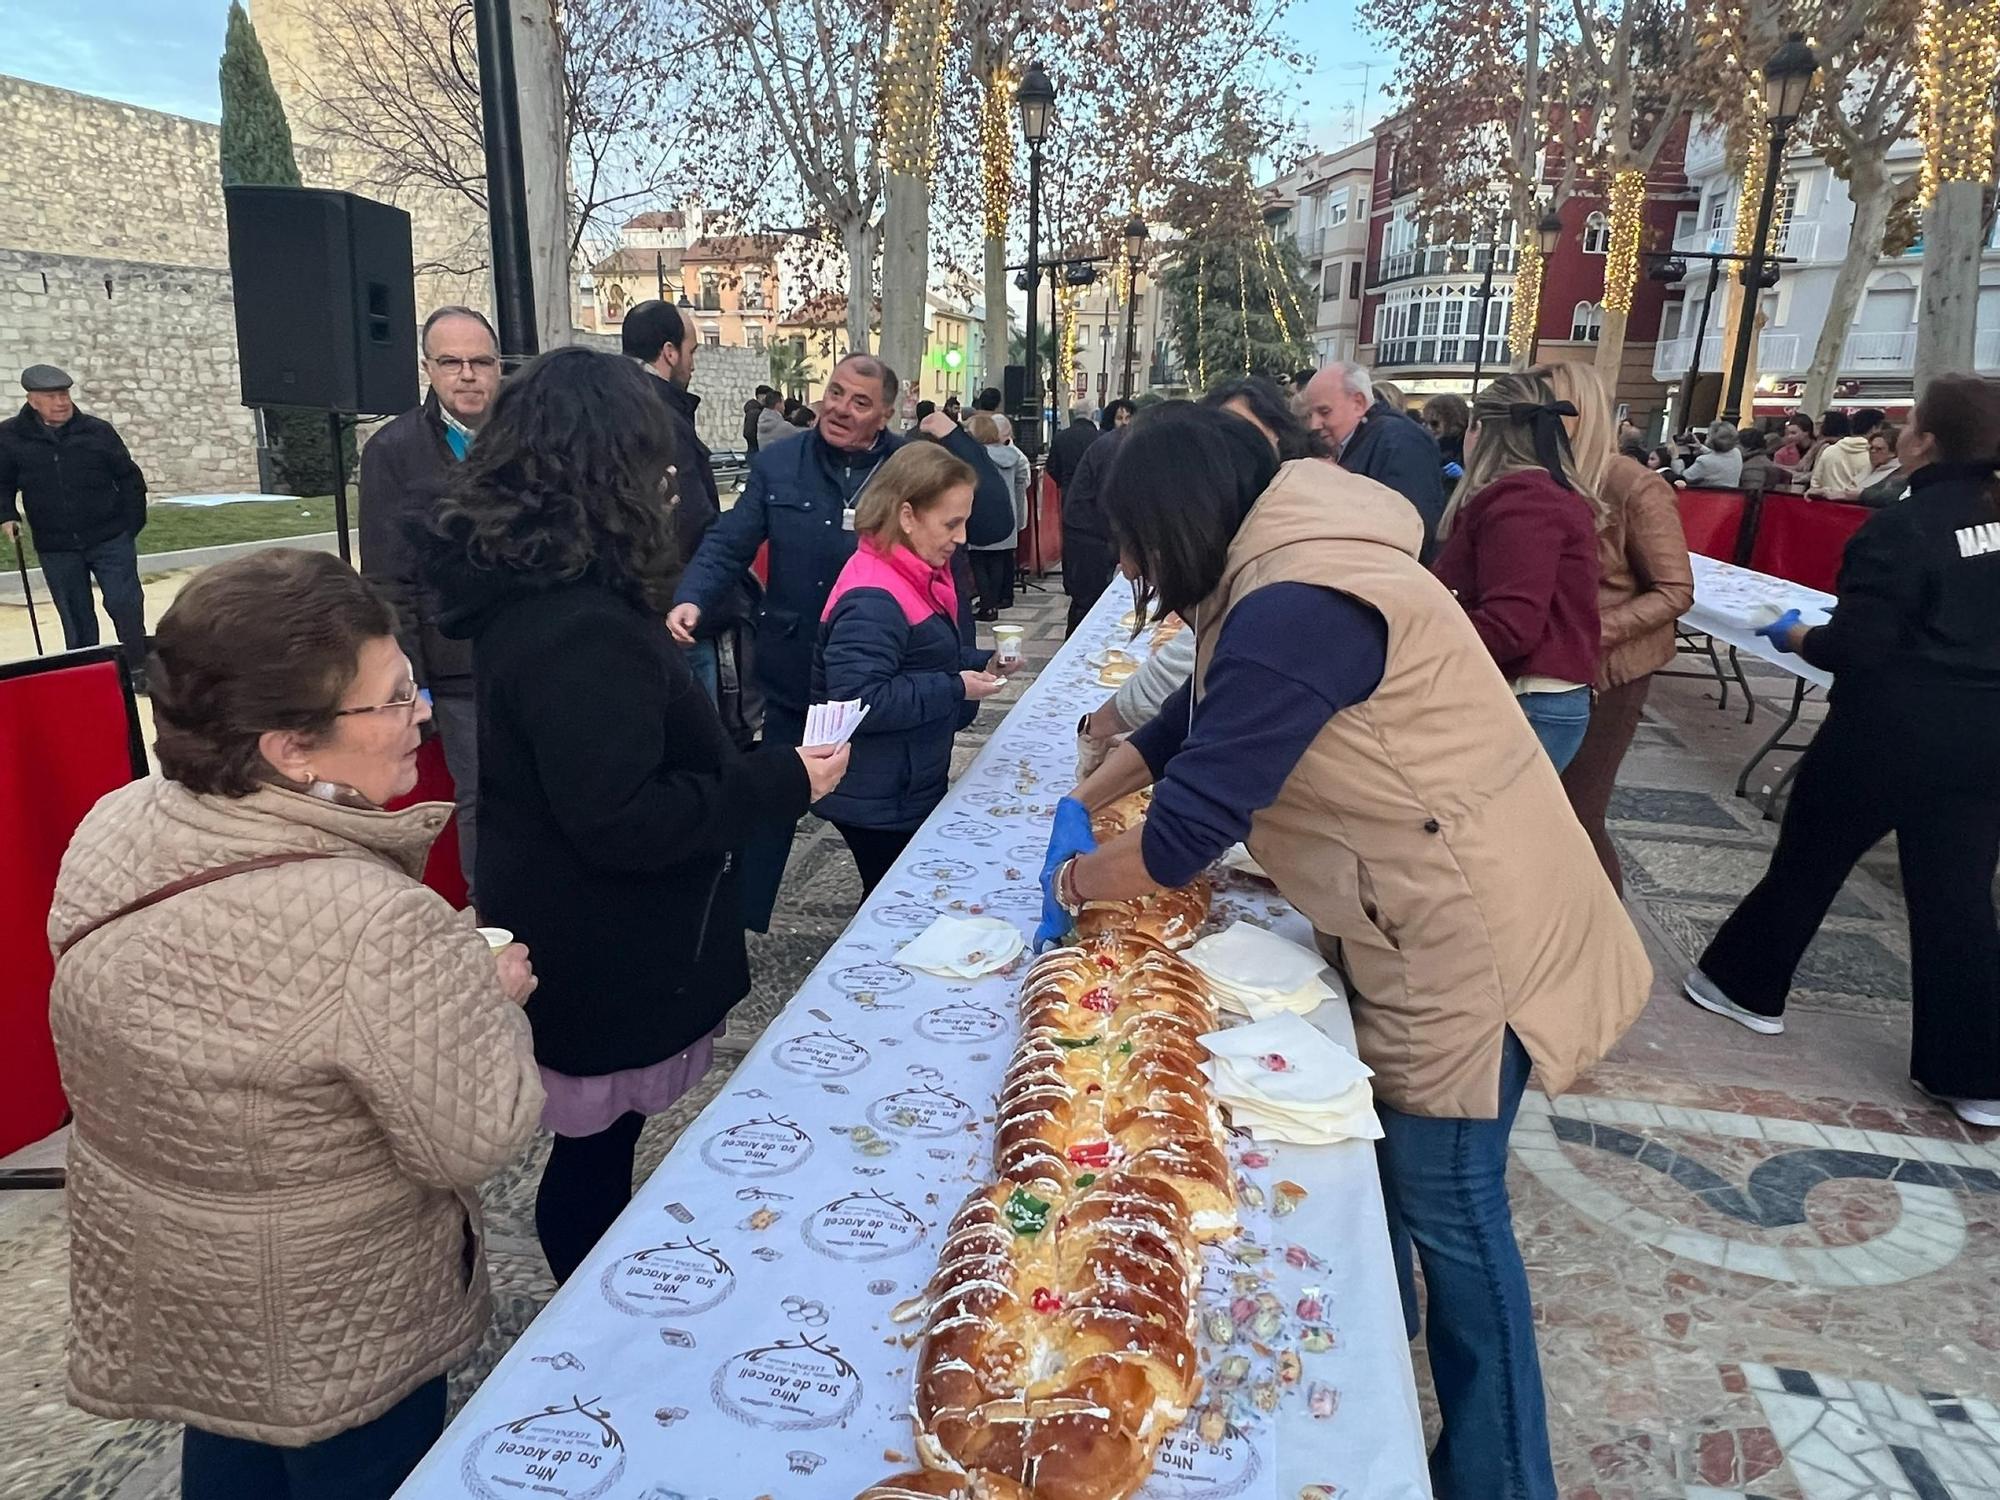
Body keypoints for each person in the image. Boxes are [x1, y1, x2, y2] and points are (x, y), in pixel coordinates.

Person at [1039, 402, 1650, 1500]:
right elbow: (1192, 716)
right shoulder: (1278, 559)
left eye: (1130, 538)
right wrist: (1083, 799)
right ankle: (1382, 1361)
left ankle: (1501, 1479)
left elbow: (1184, 834)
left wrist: (1072, 881)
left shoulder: (1296, 597)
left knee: (1452, 1207)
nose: (1128, 562)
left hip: (1464, 925)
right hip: (1424, 895)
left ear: (1173, 521)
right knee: (1413, 1199)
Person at [48, 548, 544, 1499]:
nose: (422, 715)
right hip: (337, 1315)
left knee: (230, 1450)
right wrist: (486, 1005)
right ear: (290, 746)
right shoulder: (377, 922)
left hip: (182, 1279)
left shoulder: (117, 819)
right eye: (394, 698)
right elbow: (474, 1138)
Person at [421, 347, 849, 1283]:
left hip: (577, 919)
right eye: (648, 461)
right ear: (602, 470)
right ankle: (589, 1316)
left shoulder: (547, 590)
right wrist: (778, 781)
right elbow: (621, 817)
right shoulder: (576, 624)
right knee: (594, 1154)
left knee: (602, 1149)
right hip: (601, 940)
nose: (665, 481)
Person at [1687, 373, 2000, 1129]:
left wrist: (1795, 634)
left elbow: (1857, 647)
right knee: (1958, 898)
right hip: (1983, 737)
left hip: (1888, 729)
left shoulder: (1905, 527)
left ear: (1923, 440)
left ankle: (1745, 986)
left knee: (1810, 859)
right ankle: (1975, 1072)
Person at [668, 353, 999, 929]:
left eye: (860, 402)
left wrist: (956, 671)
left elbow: (979, 527)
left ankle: (884, 916)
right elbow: (729, 541)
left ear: (886, 414)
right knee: (772, 805)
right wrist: (692, 594)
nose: (840, 409)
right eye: (836, 392)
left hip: (884, 672)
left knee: (881, 807)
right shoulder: (780, 463)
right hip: (797, 675)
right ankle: (739, 925)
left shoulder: (911, 466)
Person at [1073, 377, 1322, 776]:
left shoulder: (1283, 595)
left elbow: (1215, 790)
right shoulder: (1263, 558)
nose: (1131, 568)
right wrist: (1091, 788)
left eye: (1142, 541)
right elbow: (1185, 706)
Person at [812, 443, 1010, 893]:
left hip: (901, 779)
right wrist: (955, 688)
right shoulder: (873, 596)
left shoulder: (912, 572)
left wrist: (983, 663)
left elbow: (923, 656)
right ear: (906, 516)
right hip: (878, 792)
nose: (961, 538)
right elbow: (859, 701)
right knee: (893, 898)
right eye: (951, 524)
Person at [1538, 362, 1694, 891]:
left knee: (1580, 813)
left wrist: (1586, 632)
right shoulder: (1540, 476)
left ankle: (1607, 945)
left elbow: (1675, 590)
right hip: (1548, 668)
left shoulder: (1631, 483)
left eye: (1551, 410)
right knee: (1542, 814)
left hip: (1608, 674)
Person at [360, 306, 501, 886]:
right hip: (457, 667)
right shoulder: (394, 452)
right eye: (451, 362)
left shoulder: (532, 437)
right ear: (428, 368)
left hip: (535, 652)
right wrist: (409, 680)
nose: (468, 374)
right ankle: (494, 928)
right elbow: (388, 580)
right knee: (481, 803)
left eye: (481, 362)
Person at [1430, 371, 1603, 770]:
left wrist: (1424, 640)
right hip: (1531, 696)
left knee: (1480, 832)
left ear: (1479, 431)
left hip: (1529, 698)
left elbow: (1512, 624)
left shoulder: (1524, 503)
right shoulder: (1534, 496)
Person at [0, 363, 149, 679]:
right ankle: (87, 672)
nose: (62, 402)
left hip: (109, 537)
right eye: (52, 396)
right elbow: (2, 483)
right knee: (75, 614)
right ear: (32, 400)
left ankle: (138, 667)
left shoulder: (97, 431)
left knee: (125, 604)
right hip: (56, 545)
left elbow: (129, 477)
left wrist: (129, 525)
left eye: (64, 394)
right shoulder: (10, 437)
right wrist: (7, 515)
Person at [1303, 361, 1447, 558]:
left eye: (1324, 412)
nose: (1314, 424)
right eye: (1310, 414)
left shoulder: (1399, 441)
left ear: (1359, 403)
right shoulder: (1376, 439)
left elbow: (1410, 527)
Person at [968, 409, 1028, 619]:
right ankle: (996, 599)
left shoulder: (977, 457)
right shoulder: (1012, 456)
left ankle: (987, 604)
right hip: (1007, 512)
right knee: (998, 561)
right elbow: (1022, 481)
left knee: (978, 560)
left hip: (981, 512)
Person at [1813, 424, 1905, 506]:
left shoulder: (1898, 475)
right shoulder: (1869, 469)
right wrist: (1825, 492)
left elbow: (1889, 498)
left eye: (1879, 449)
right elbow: (1848, 491)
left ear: (1893, 453)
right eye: (1871, 448)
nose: (1872, 452)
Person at [1807, 407, 1878, 495]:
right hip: (1858, 504)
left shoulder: (1829, 449)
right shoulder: (1875, 454)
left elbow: (1815, 481)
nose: (1816, 426)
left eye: (1819, 424)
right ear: (1874, 428)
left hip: (1827, 503)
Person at [1670, 419, 1744, 487]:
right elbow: (1719, 457)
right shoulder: (1736, 453)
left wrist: (1675, 458)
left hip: (1707, 498)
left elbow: (1682, 477)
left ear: (1712, 440)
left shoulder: (1704, 461)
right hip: (1729, 498)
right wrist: (1701, 447)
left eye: (1708, 435)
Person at [1422, 392, 1470, 495]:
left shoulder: (1468, 446)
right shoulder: (1425, 446)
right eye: (1425, 423)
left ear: (1452, 422)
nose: (1428, 428)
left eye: (1434, 424)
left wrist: (1464, 478)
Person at [1047, 409, 1100, 491]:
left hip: (1068, 488)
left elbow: (1051, 466)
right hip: (1092, 489)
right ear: (1092, 415)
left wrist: (1062, 480)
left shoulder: (1060, 437)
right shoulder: (1098, 438)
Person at [1735, 427, 1780, 492]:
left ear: (1747, 447)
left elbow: (1753, 493)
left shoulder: (1753, 467)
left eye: (1737, 444)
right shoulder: (1759, 460)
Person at [743, 383, 776, 454]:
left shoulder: (758, 410)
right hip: (755, 451)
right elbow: (748, 433)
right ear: (760, 396)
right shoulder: (754, 412)